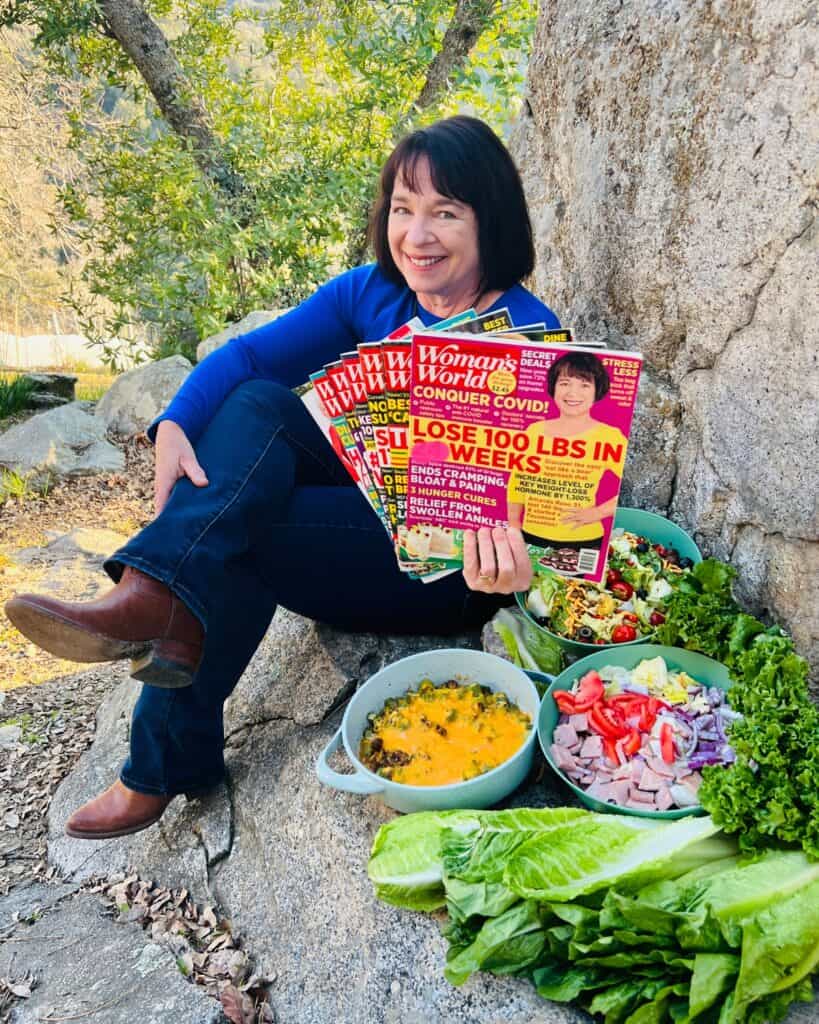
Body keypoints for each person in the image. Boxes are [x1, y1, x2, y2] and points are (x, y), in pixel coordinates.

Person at [4, 116, 558, 839]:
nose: (416, 235)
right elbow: (248, 360)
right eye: (402, 208)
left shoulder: (531, 337)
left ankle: (161, 748)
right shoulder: (373, 295)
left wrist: (511, 562)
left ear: (491, 222)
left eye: (445, 213)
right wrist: (172, 422)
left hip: (439, 574)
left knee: (240, 531)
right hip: (352, 516)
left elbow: (550, 518)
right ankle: (157, 597)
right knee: (259, 405)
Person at [506, 351, 627, 574]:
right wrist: (513, 524)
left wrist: (598, 512)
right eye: (564, 383)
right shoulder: (534, 431)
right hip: (531, 537)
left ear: (596, 391)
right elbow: (518, 481)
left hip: (584, 540)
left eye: (584, 385)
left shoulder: (610, 436)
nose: (573, 393)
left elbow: (629, 488)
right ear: (553, 388)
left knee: (576, 602)